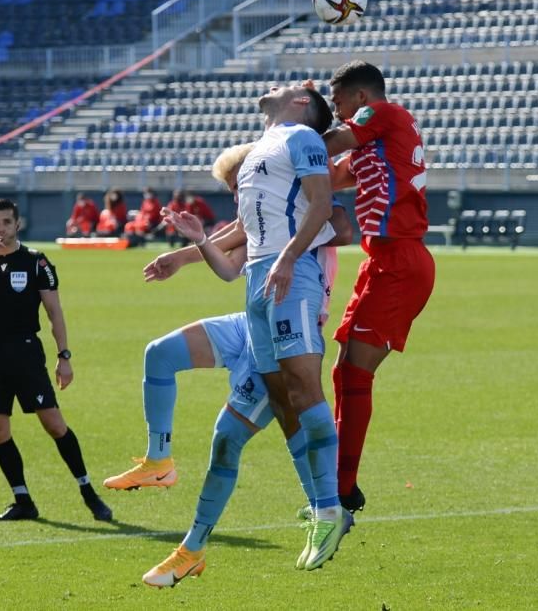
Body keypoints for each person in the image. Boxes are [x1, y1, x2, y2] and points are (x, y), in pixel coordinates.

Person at [99, 144, 352, 587]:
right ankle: (159, 460)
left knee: (227, 440)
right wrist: (189, 248)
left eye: (242, 185)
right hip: (249, 325)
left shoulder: (304, 214)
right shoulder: (260, 220)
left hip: (282, 340)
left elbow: (342, 224)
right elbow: (231, 262)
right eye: (235, 189)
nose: (240, 196)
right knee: (160, 352)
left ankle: (193, 549)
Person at [160, 84, 350, 572]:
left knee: (303, 388)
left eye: (286, 87)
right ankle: (322, 506)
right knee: (283, 397)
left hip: (292, 275)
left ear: (302, 102)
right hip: (256, 281)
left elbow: (322, 205)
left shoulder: (301, 138)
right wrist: (194, 245)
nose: (273, 87)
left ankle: (330, 509)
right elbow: (235, 252)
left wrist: (287, 258)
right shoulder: (258, 154)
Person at [311, 60, 436, 515]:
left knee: (356, 373)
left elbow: (330, 142)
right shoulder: (374, 142)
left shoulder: (381, 113)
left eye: (338, 102)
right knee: (344, 371)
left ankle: (342, 489)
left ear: (361, 98)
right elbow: (329, 174)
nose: (337, 111)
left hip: (400, 260)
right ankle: (339, 483)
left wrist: (302, 123)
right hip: (384, 260)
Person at [0, 198, 112, 522]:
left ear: (18, 224)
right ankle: (23, 500)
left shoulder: (36, 262)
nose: (1, 228)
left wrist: (64, 356)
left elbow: (54, 312)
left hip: (27, 352)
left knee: (54, 424)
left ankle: (88, 492)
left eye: (6, 222)